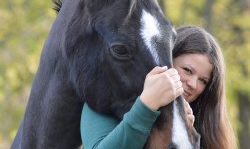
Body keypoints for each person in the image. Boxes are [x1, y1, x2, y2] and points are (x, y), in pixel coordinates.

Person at [81, 25, 236, 149]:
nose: (193, 84)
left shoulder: (202, 124)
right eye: (187, 70)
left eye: (203, 81)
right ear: (165, 60)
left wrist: (187, 135)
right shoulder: (108, 95)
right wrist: (146, 106)